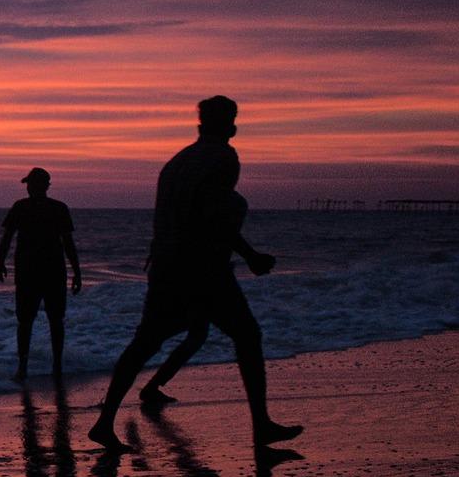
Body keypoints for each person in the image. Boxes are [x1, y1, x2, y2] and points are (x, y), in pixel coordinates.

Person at [87, 96, 301, 451]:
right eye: (232, 119)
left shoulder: (177, 162)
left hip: (165, 265)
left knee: (145, 342)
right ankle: (261, 425)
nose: (234, 126)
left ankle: (105, 421)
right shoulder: (222, 157)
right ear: (227, 124)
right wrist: (250, 255)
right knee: (247, 335)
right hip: (202, 267)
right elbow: (212, 215)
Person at [139, 191, 275, 407]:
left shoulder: (194, 202)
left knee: (193, 334)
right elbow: (227, 234)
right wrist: (251, 257)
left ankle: (150, 387)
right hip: (202, 279)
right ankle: (145, 389)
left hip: (189, 277)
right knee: (224, 334)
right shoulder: (223, 204)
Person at [0, 167, 83, 379]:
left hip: (41, 271)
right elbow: (7, 238)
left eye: (31, 184)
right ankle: (31, 366)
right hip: (38, 270)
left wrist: (77, 272)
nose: (29, 188)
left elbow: (68, 242)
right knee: (32, 320)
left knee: (47, 320)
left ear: (42, 186)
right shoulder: (28, 207)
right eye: (28, 184)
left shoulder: (51, 208)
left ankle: (47, 366)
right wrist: (0, 262)